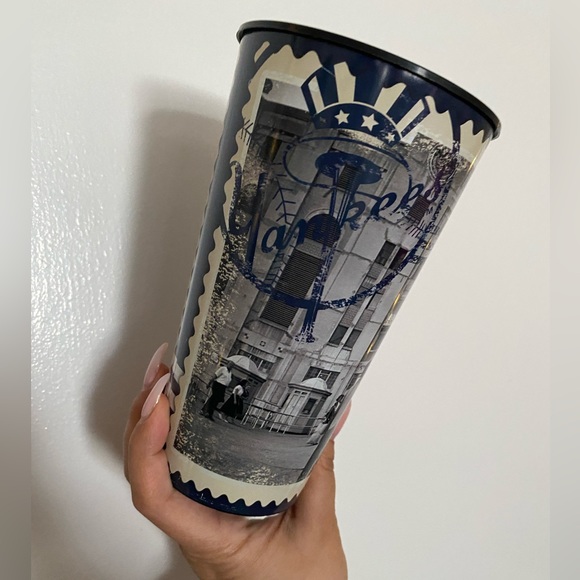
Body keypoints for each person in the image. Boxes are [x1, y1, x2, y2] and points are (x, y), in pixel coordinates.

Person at [124, 343, 350, 580]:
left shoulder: (235, 379)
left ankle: (212, 415)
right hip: (217, 402)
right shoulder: (227, 374)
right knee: (216, 405)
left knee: (218, 406)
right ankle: (210, 416)